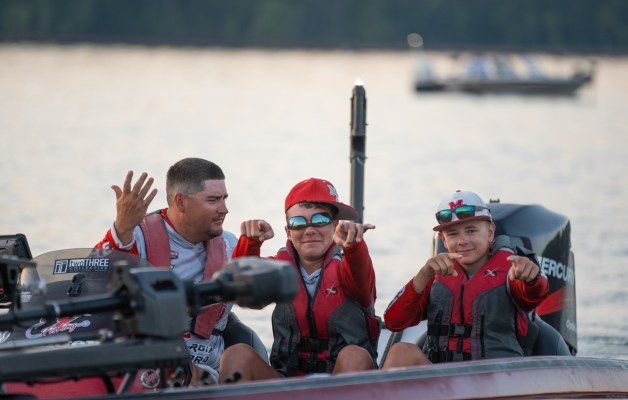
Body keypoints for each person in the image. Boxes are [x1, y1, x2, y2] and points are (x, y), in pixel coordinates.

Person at [218, 178, 381, 382]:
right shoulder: (278, 269)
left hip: (340, 384)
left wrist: (354, 246)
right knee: (236, 354)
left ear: (335, 226)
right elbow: (241, 291)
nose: (309, 230)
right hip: (287, 382)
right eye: (298, 223)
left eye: (320, 220)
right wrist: (250, 244)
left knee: (354, 355)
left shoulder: (352, 265)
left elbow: (362, 281)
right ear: (288, 232)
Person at [95, 157, 237, 385]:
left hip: (206, 371)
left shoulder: (230, 244)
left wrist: (254, 244)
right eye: (213, 200)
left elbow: (260, 297)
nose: (224, 209)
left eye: (224, 199)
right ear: (180, 202)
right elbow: (94, 278)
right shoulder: (135, 236)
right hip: (147, 365)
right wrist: (121, 229)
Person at [382, 190, 549, 367]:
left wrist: (531, 277)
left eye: (471, 231)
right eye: (452, 234)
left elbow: (536, 293)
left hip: (498, 377)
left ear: (490, 231)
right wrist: (423, 274)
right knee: (401, 352)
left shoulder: (512, 270)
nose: (462, 241)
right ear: (444, 240)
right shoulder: (434, 277)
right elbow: (394, 321)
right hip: (442, 380)